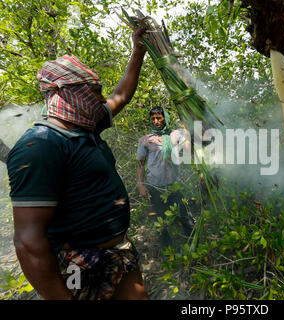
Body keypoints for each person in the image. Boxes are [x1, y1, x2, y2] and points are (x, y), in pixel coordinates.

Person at [6, 26, 149, 300]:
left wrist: (138, 51)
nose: (100, 98)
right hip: (78, 263)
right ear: (68, 92)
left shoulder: (86, 127)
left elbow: (121, 95)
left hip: (119, 251)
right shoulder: (41, 144)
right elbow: (28, 242)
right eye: (94, 90)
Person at [137, 106, 194, 247]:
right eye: (153, 119)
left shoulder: (176, 134)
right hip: (155, 187)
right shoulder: (146, 139)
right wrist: (141, 185)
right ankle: (167, 250)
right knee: (160, 221)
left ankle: (194, 245)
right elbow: (140, 164)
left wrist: (187, 136)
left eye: (159, 118)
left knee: (185, 217)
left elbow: (188, 152)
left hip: (174, 185)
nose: (156, 121)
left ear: (165, 118)